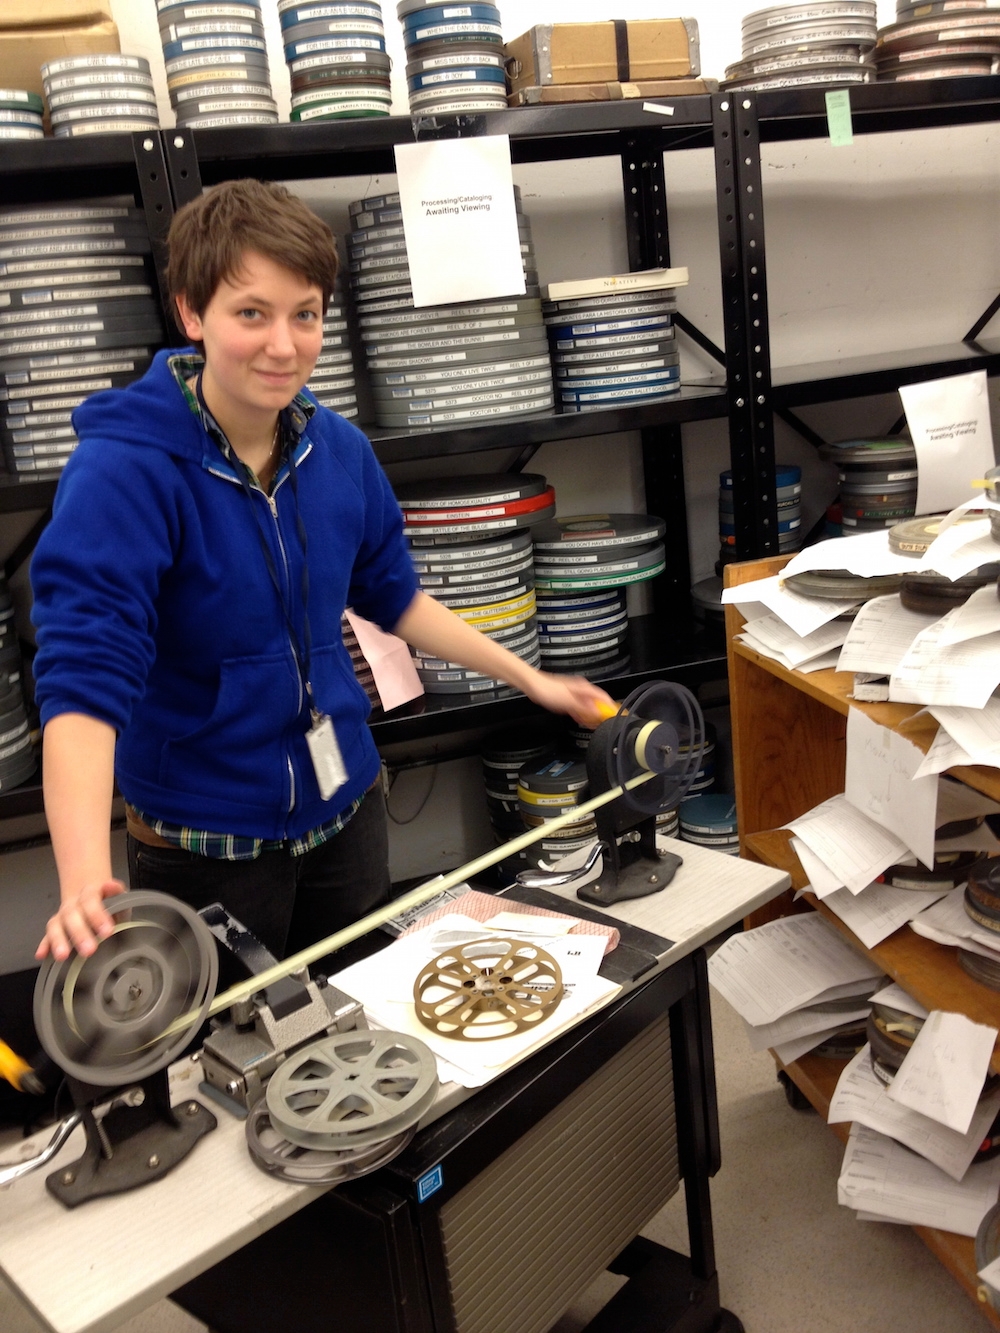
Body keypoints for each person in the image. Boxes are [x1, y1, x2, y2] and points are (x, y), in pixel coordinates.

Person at [31, 179, 613, 968]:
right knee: (225, 1065)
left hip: (345, 811)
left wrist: (531, 679)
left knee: (351, 1040)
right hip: (209, 841)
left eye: (304, 313)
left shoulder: (337, 450)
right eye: (251, 313)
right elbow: (84, 680)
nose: (283, 344)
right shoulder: (123, 470)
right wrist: (82, 879)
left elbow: (394, 594)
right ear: (191, 314)